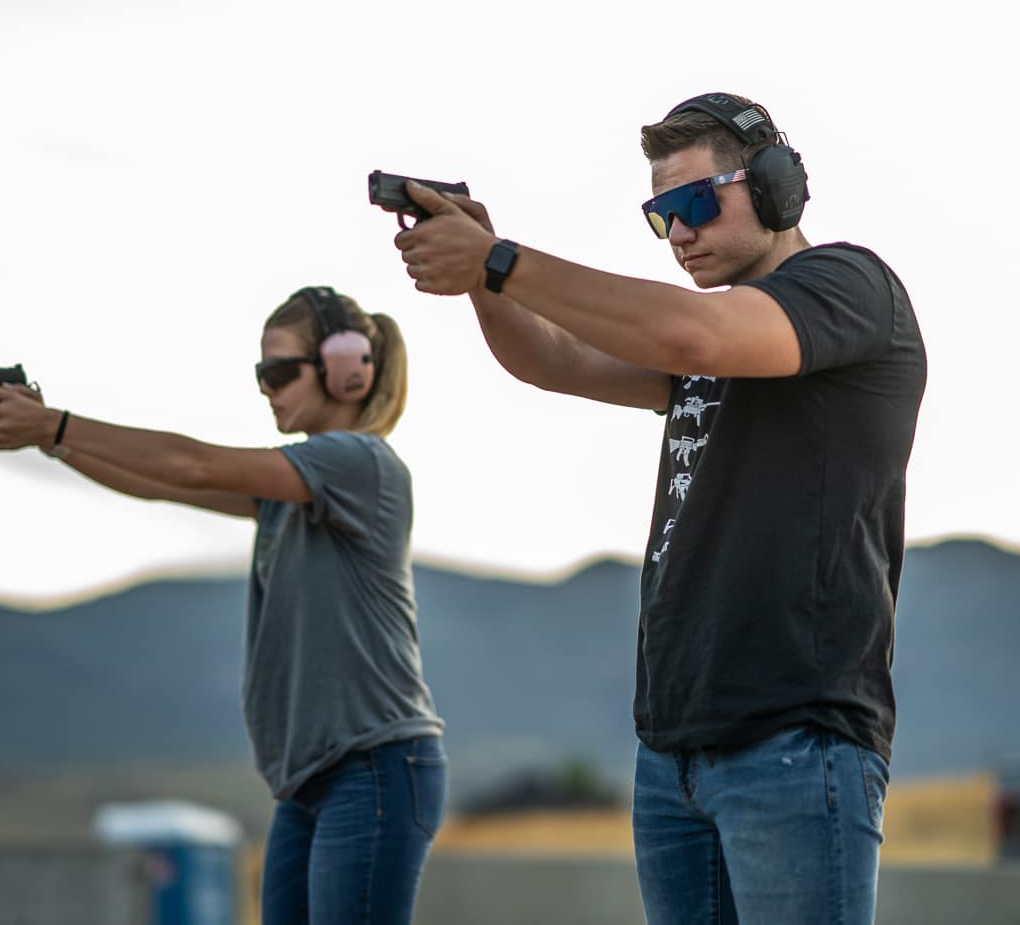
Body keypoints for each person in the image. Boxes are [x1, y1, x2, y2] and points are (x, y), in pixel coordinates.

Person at [391, 92, 926, 924]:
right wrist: (484, 282)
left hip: (795, 734)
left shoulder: (848, 287)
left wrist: (497, 259)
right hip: (675, 747)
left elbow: (695, 337)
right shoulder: (708, 332)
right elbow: (552, 358)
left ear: (780, 188)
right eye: (659, 215)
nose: (678, 234)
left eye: (693, 203)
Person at [0, 286, 446, 925]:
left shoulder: (358, 462)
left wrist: (55, 425)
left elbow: (191, 466)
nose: (266, 387)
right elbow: (160, 481)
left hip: (372, 767)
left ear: (345, 369)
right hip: (315, 778)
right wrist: (54, 442)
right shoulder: (295, 485)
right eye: (262, 372)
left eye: (279, 371)